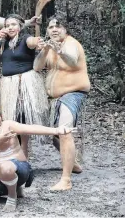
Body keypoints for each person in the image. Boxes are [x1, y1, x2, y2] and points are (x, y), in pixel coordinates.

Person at [0, 103, 75, 212]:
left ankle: (12, 197)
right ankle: (15, 186)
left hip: (19, 168)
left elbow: (30, 128)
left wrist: (55, 131)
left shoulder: (7, 126)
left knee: (5, 167)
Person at [0, 14, 49, 158]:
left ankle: (24, 155)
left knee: (23, 118)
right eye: (7, 25)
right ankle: (16, 154)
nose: (10, 27)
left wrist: (38, 42)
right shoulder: (3, 43)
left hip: (24, 83)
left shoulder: (25, 39)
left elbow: (33, 42)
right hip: (7, 85)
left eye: (13, 24)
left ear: (20, 27)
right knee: (11, 119)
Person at [33, 17, 90, 191]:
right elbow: (36, 67)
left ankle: (66, 180)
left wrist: (60, 50)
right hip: (54, 98)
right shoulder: (50, 47)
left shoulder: (71, 43)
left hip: (72, 93)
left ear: (65, 29)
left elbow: (72, 60)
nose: (54, 29)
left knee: (64, 131)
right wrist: (44, 51)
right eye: (51, 27)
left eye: (58, 26)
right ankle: (74, 164)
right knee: (56, 134)